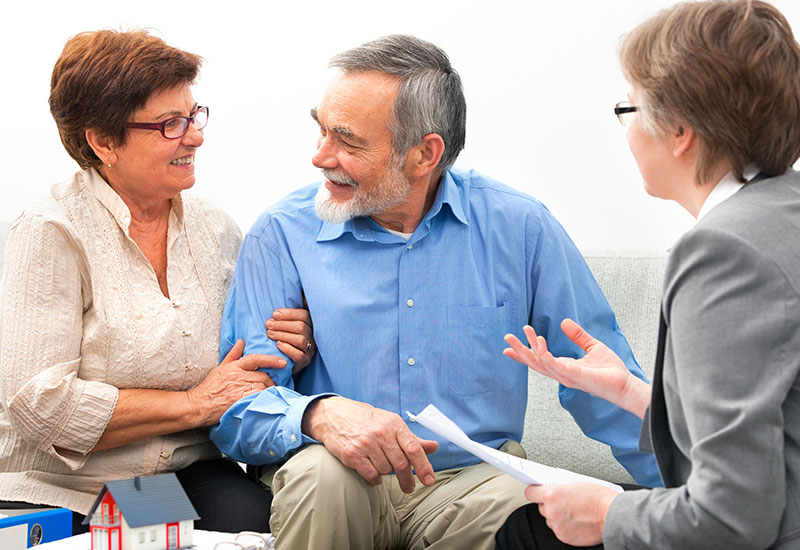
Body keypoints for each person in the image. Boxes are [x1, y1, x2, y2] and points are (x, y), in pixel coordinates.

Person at [210, 34, 661, 549]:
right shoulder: (282, 235)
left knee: (540, 509)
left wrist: (697, 500)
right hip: (338, 474)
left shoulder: (521, 229)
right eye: (320, 131)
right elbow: (236, 411)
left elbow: (603, 385)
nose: (320, 157)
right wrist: (317, 413)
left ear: (425, 153)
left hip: (472, 481)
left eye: (347, 141)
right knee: (324, 479)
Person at [494, 1, 800, 548]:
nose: (626, 132)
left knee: (526, 532)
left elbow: (733, 516)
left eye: (627, 109)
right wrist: (635, 393)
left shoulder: (723, 251)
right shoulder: (784, 211)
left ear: (679, 130)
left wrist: (607, 514)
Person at [0, 29, 314, 535]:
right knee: (182, 536)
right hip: (71, 487)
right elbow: (42, 403)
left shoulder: (216, 228)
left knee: (263, 525)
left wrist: (290, 346)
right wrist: (195, 403)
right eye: (170, 123)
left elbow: (248, 366)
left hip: (180, 476)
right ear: (103, 142)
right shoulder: (51, 229)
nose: (195, 135)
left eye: (193, 115)